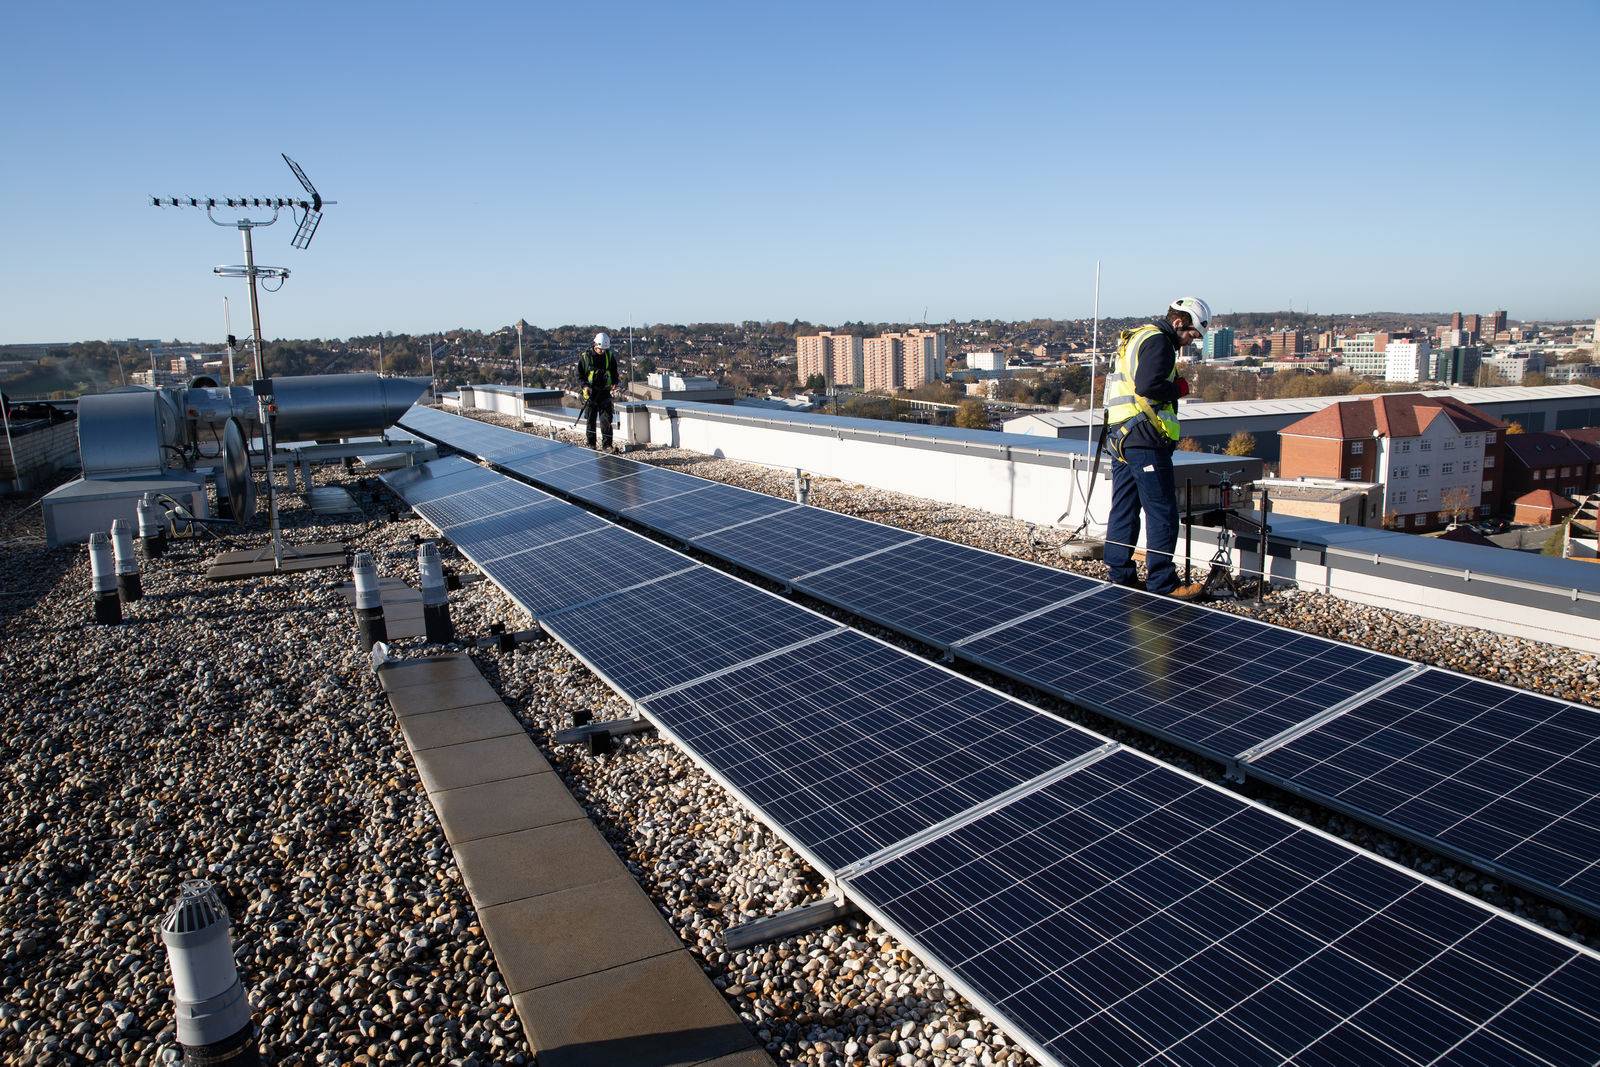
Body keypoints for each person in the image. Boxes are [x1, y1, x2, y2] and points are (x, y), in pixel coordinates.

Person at [1102, 297, 1211, 598]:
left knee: (1124, 505)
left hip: (1121, 435)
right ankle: (1163, 582)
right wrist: (1179, 388)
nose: (1192, 341)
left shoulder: (1138, 336)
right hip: (1143, 437)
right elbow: (1148, 386)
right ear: (1179, 322)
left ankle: (1119, 572)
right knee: (1162, 509)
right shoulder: (1159, 343)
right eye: (1192, 333)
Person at [577, 331, 621, 450]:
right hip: (591, 394)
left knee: (606, 420)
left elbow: (614, 372)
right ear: (595, 345)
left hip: (604, 393)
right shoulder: (585, 357)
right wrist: (585, 386)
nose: (602, 351)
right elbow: (580, 376)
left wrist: (614, 383)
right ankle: (591, 444)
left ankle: (607, 445)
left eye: (604, 349)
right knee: (591, 420)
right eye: (600, 349)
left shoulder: (609, 356)